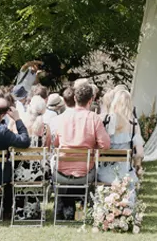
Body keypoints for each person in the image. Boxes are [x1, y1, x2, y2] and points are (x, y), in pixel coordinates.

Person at [52, 81, 111, 220]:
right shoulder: (94, 118)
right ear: (91, 100)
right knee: (92, 170)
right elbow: (105, 145)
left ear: (74, 98)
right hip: (85, 173)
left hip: (61, 172)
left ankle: (65, 208)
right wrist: (93, 147)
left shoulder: (62, 118)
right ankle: (81, 207)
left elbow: (55, 144)